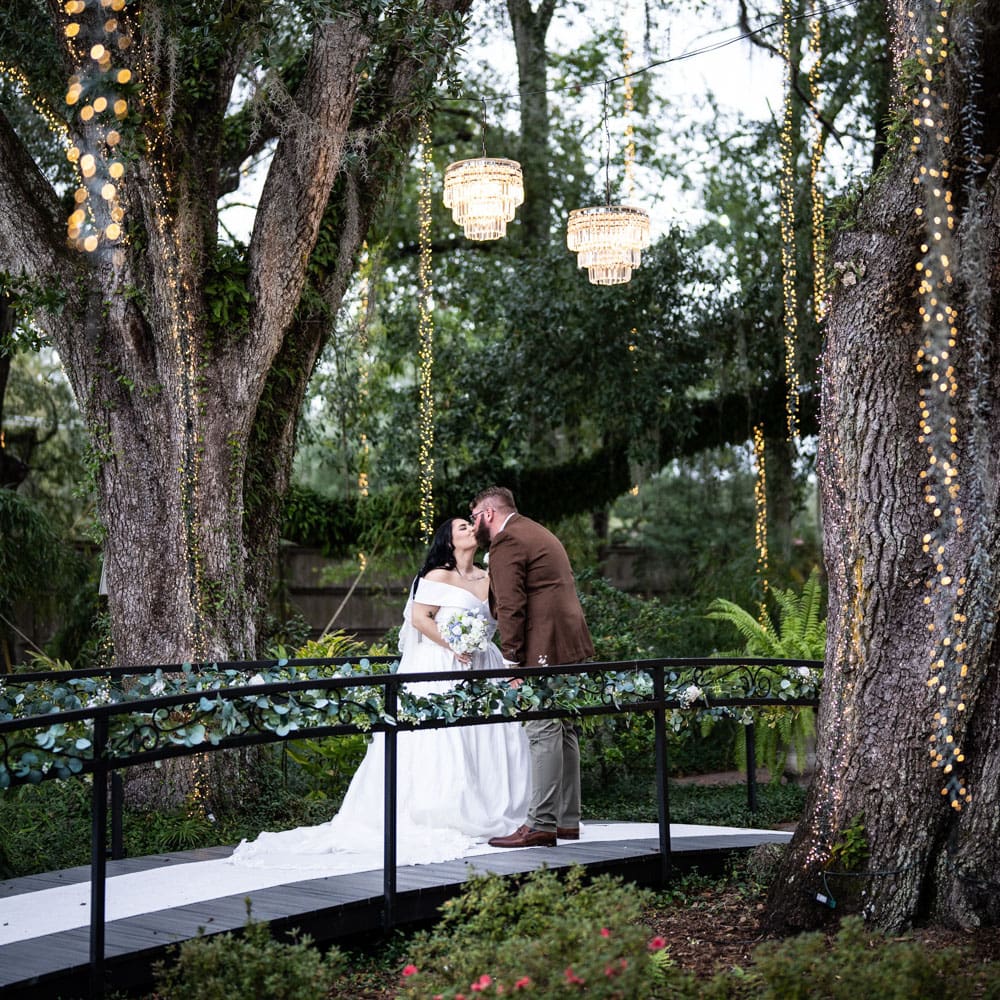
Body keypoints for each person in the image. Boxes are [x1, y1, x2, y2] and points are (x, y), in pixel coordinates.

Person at [229, 517, 530, 873]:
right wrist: (454, 644)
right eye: (462, 527)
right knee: (443, 738)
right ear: (449, 541)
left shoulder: (489, 576)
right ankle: (446, 810)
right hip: (442, 664)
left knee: (490, 734)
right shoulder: (436, 576)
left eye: (471, 526)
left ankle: (496, 807)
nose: (470, 529)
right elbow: (420, 619)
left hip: (484, 664)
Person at [471, 486, 595, 848]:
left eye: (475, 516)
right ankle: (567, 820)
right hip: (568, 644)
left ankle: (541, 824)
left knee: (542, 728)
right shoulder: (536, 530)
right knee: (565, 728)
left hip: (544, 648)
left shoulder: (507, 541)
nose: (474, 524)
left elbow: (511, 606)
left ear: (488, 515)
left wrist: (511, 663)